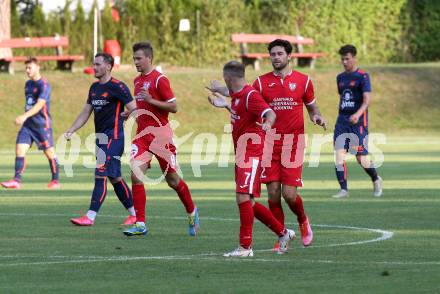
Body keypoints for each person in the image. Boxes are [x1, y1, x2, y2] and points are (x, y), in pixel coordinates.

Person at [208, 61, 295, 257]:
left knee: (243, 197)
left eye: (224, 78)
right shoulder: (238, 96)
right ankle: (284, 233)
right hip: (242, 154)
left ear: (228, 78)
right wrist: (225, 106)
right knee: (249, 202)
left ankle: (245, 247)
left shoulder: (249, 95)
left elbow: (270, 113)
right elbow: (239, 111)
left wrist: (267, 124)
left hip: (252, 153)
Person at [123, 42, 199, 237]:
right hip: (142, 136)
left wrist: (151, 101)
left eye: (138, 58)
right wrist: (130, 113)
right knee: (135, 174)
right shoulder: (137, 81)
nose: (136, 62)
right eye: (134, 59)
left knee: (173, 180)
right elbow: (141, 106)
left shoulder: (159, 80)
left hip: (161, 136)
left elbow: (173, 107)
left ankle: (191, 210)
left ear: (149, 58)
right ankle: (140, 224)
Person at [65, 53, 137, 226]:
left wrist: (128, 114)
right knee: (114, 177)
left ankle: (90, 217)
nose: (94, 67)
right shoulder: (94, 88)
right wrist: (72, 129)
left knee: (100, 173)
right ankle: (135, 214)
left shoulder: (118, 87)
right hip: (101, 140)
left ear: (108, 66)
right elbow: (85, 112)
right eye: (93, 64)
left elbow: (135, 109)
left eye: (97, 64)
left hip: (115, 137)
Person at [1, 57, 60, 190]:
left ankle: (55, 180)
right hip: (28, 125)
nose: (27, 70)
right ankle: (16, 180)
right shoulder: (28, 84)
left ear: (38, 67)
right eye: (26, 68)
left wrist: (24, 116)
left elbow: (40, 104)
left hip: (41, 125)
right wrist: (26, 118)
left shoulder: (44, 85)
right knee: (20, 149)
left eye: (30, 67)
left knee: (49, 153)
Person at [332, 44, 382, 198]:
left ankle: (376, 179)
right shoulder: (340, 78)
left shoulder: (363, 76)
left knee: (361, 158)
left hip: (358, 122)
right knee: (339, 155)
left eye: (347, 59)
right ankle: (344, 190)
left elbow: (367, 100)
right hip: (342, 121)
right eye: (342, 59)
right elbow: (343, 97)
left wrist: (358, 114)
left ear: (354, 58)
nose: (344, 62)